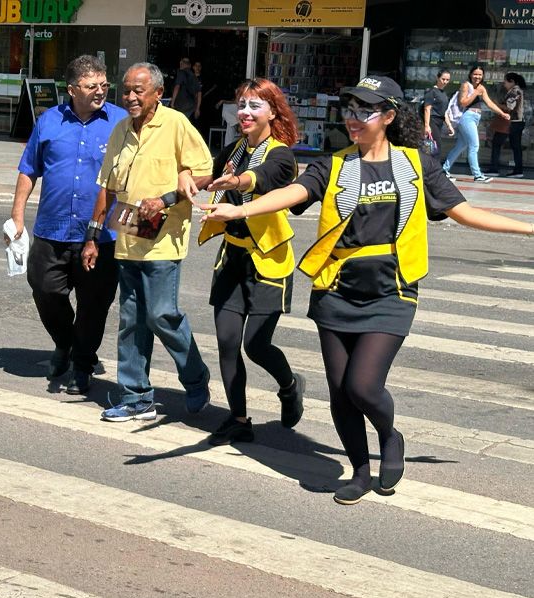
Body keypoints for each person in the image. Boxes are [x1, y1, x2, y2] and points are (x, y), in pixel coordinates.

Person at [201, 76, 534, 504]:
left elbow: (464, 213)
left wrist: (529, 228)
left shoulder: (416, 165)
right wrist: (241, 205)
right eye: (350, 110)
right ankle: (359, 470)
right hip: (336, 291)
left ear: (389, 117)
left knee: (363, 386)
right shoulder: (335, 165)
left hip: (392, 292)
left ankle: (389, 435)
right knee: (341, 392)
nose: (353, 119)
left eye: (365, 111)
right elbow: (291, 192)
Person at [82, 62, 214, 422]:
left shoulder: (176, 125)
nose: (130, 97)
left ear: (158, 92)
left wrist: (168, 199)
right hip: (128, 239)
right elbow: (106, 187)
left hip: (163, 241)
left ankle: (196, 377)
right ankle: (135, 395)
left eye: (139, 90)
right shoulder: (120, 130)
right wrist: (93, 237)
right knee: (131, 320)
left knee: (161, 315)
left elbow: (204, 173)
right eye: (126, 90)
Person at [6, 55, 127, 395]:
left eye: (104, 85)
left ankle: (83, 364)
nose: (100, 91)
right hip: (52, 230)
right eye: (92, 86)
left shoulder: (121, 122)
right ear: (72, 89)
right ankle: (65, 343)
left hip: (102, 236)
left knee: (94, 304)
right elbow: (29, 169)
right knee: (44, 289)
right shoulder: (49, 121)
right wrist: (17, 215)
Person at [198, 78, 304, 446]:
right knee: (227, 342)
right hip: (232, 256)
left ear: (272, 112)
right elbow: (208, 176)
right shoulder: (234, 149)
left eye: (254, 105)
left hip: (267, 260)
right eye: (241, 104)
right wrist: (173, 188)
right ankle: (239, 418)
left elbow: (262, 178)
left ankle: (290, 386)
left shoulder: (281, 155)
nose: (244, 111)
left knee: (256, 346)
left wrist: (237, 182)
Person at [442, 64, 508, 183]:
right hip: (467, 118)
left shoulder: (481, 88)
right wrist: (475, 93)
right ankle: (477, 175)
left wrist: (502, 113)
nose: (477, 77)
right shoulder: (466, 85)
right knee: (474, 146)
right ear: (471, 75)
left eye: (480, 75)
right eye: (475, 74)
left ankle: (443, 170)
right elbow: (463, 103)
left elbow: (489, 103)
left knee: (460, 146)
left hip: (475, 118)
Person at [487, 72, 526, 177]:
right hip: (517, 122)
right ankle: (518, 170)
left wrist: (495, 104)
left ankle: (494, 169)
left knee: (497, 143)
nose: (504, 84)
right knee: (515, 146)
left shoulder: (515, 91)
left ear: (512, 82)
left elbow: (509, 107)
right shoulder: (517, 90)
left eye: (505, 81)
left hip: (510, 122)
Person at [421, 69, 453, 162]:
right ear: (437, 78)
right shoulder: (431, 92)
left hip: (439, 122)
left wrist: (449, 125)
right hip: (432, 121)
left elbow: (444, 111)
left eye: (447, 80)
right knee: (434, 146)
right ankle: (432, 169)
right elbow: (427, 109)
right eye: (443, 79)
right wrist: (427, 126)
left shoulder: (443, 93)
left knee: (431, 147)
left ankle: (429, 168)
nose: (445, 82)